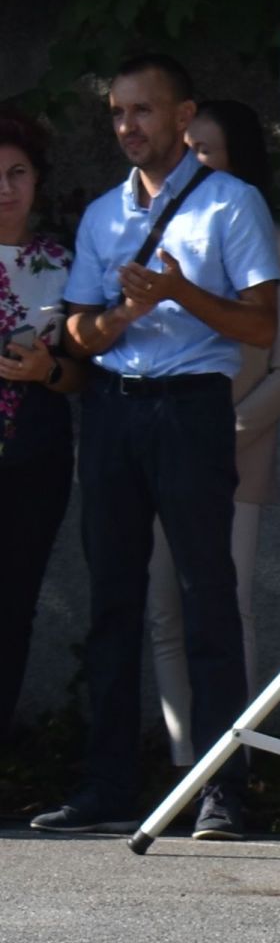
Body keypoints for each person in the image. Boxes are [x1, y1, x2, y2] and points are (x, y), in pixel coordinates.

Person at [35, 55, 280, 838]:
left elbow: (262, 325)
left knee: (208, 596)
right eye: (117, 111)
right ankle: (106, 783)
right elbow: (78, 330)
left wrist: (178, 292)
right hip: (113, 407)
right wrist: (121, 318)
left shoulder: (232, 203)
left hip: (190, 408)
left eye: (143, 110)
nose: (127, 126)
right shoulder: (103, 214)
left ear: (183, 115)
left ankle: (221, 788)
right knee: (111, 598)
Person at [142, 101, 280, 764]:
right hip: (158, 450)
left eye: (204, 150)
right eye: (183, 148)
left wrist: (210, 437)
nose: (188, 162)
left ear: (239, 161)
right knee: (164, 609)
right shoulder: (151, 241)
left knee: (226, 606)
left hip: (232, 457)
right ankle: (183, 765)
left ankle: (228, 770)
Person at [0, 110, 86, 742]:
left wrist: (46, 370)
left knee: (12, 604)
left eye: (17, 172)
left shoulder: (62, 261)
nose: (5, 188)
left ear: (37, 179)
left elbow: (85, 374)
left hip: (35, 454)